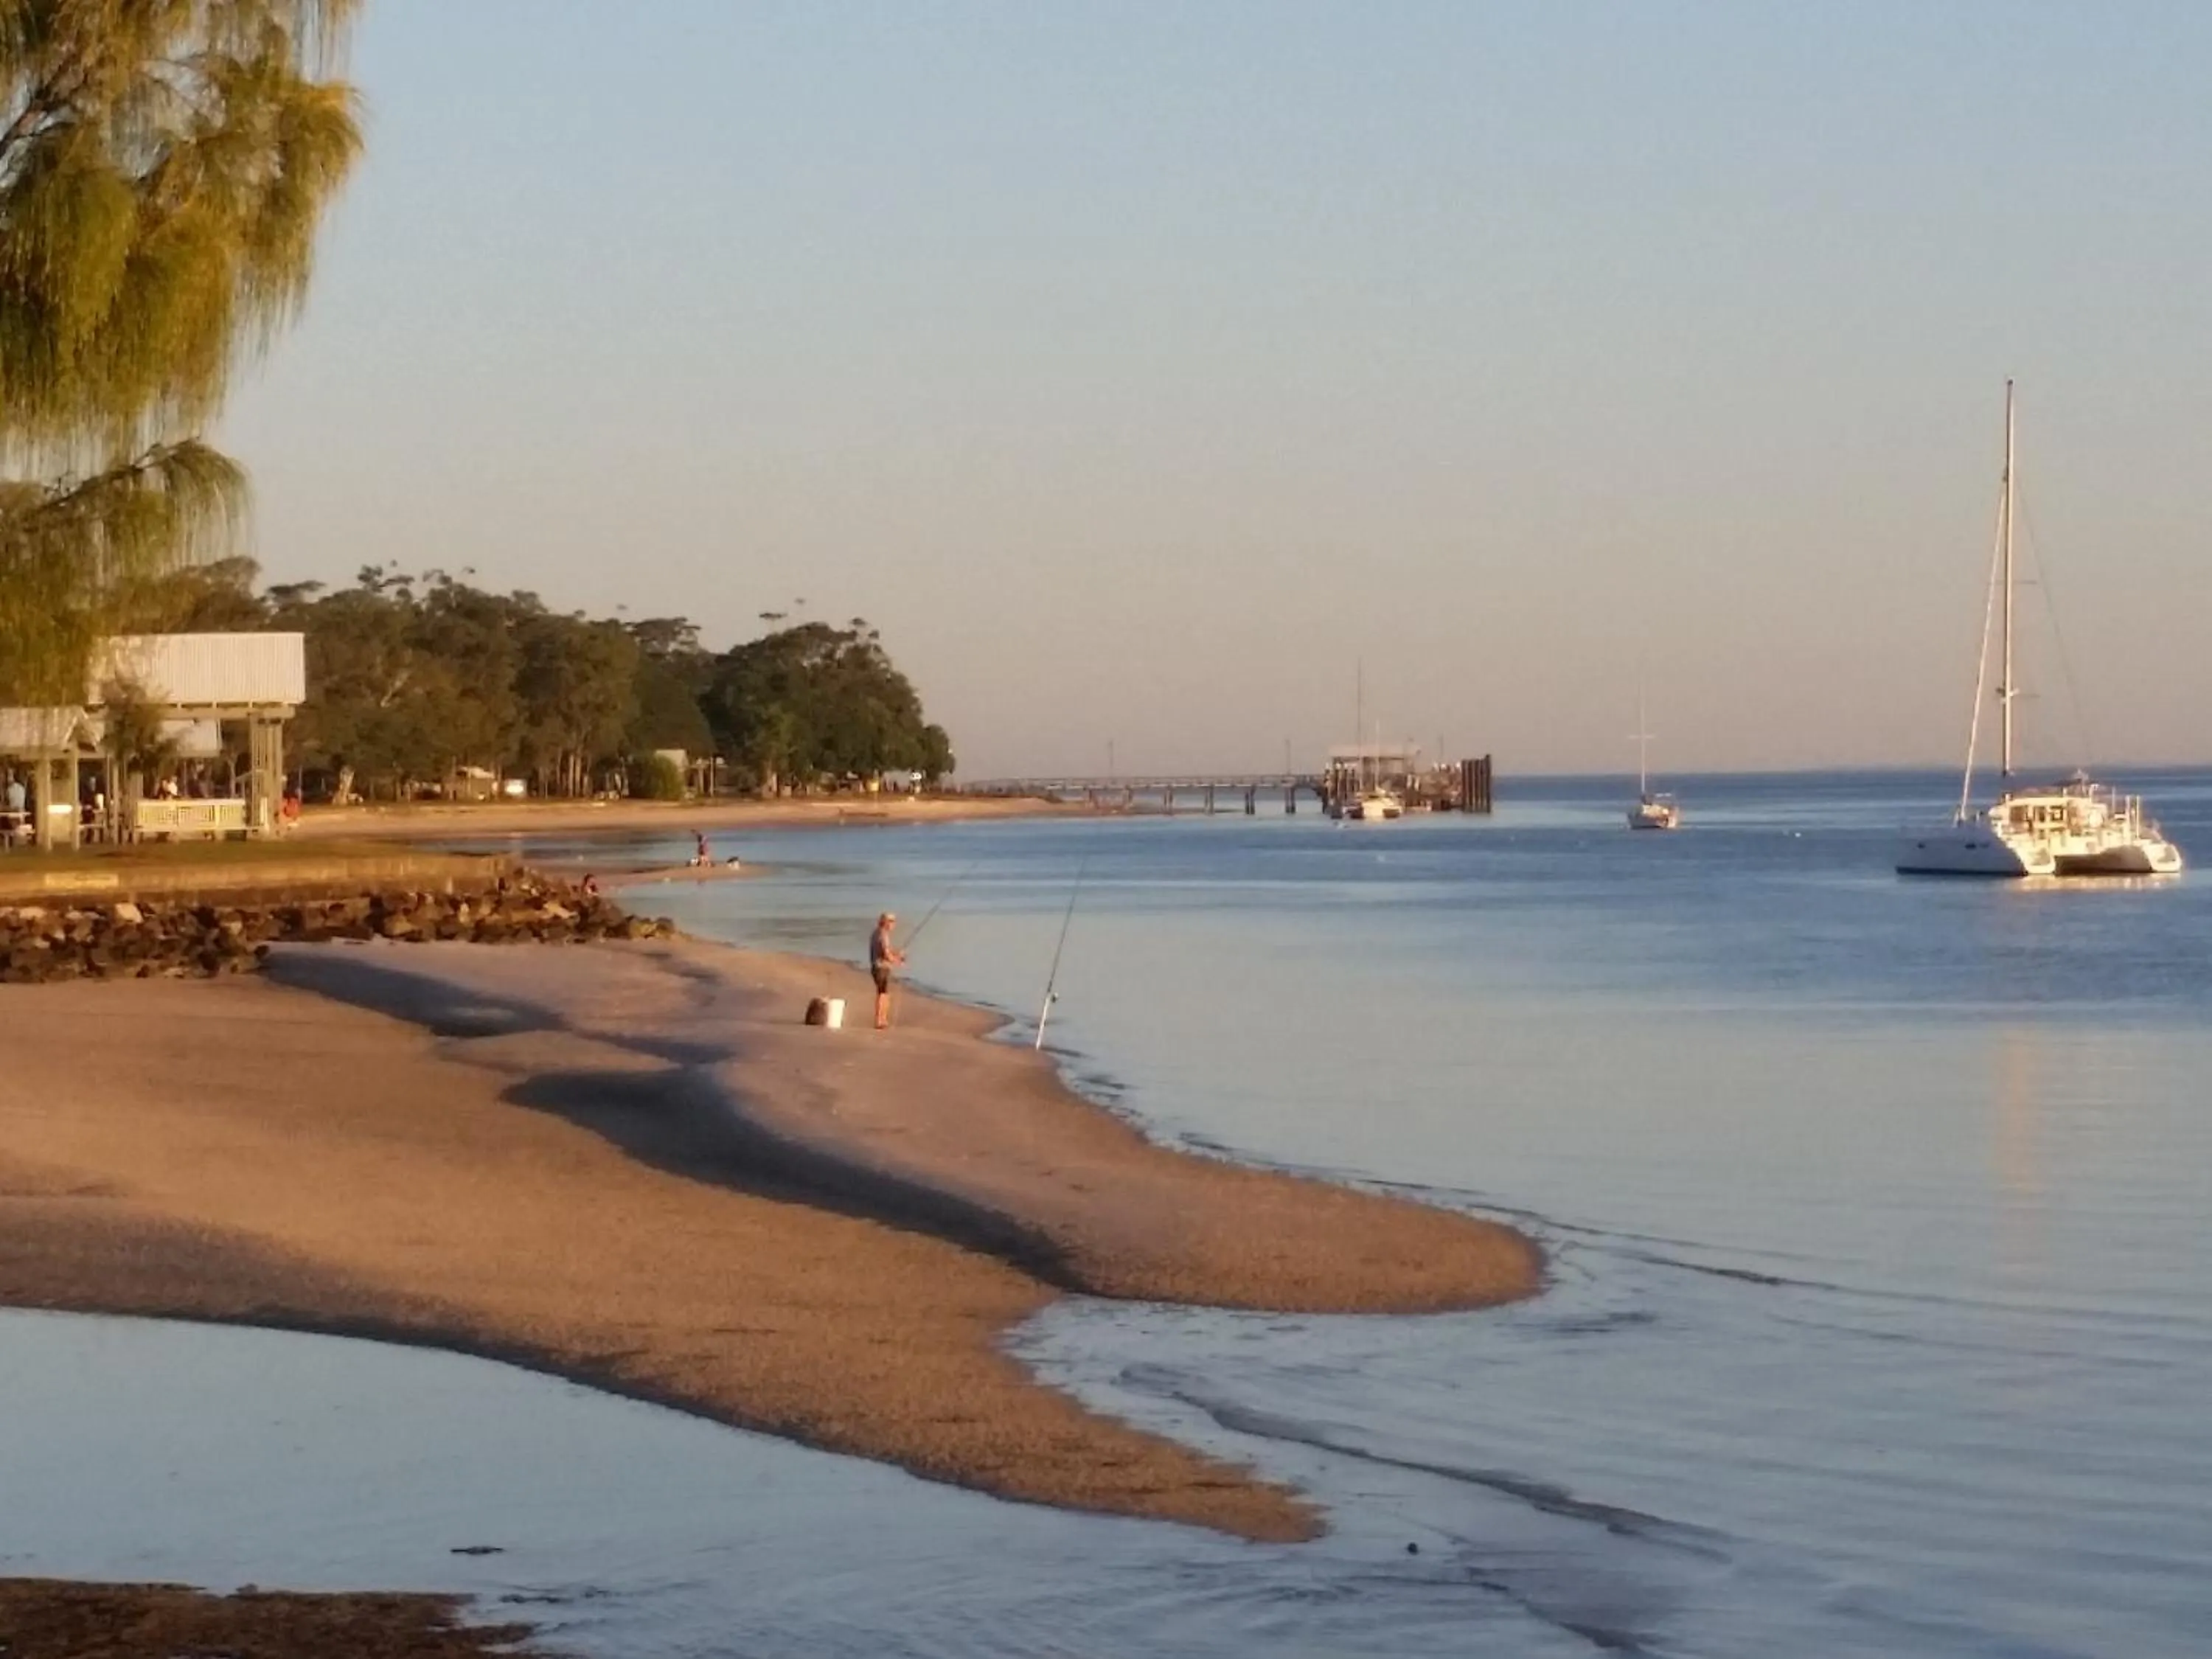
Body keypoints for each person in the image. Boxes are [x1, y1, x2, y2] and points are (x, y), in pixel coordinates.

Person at [869, 911, 905, 1030]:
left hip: (878, 967)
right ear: (885, 922)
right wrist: (897, 961)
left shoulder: (877, 933)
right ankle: (880, 1020)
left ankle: (883, 1019)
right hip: (881, 968)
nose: (894, 924)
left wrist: (897, 954)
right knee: (882, 994)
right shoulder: (882, 935)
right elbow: (886, 954)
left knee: (884, 993)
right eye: (892, 921)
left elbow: (886, 951)